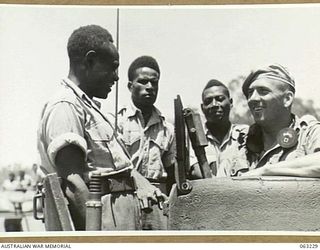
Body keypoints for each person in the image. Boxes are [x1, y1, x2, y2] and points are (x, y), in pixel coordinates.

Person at [37, 25, 165, 230]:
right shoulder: (66, 106)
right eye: (113, 67)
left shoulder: (89, 108)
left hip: (120, 220)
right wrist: (97, 239)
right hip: (102, 224)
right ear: (89, 61)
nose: (116, 77)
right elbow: (74, 186)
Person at [117, 56, 175, 230]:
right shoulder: (116, 122)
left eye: (154, 82)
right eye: (142, 82)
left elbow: (173, 173)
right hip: (125, 199)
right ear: (130, 86)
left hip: (158, 202)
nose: (149, 87)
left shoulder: (167, 128)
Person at [241, 64, 320, 177]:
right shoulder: (240, 141)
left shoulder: (308, 134)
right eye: (250, 93)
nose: (252, 98)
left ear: (287, 99)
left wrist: (265, 171)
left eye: (263, 91)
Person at [189, 79, 249, 178]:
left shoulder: (245, 134)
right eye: (208, 101)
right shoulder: (192, 138)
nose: (214, 105)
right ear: (202, 107)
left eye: (220, 99)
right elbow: (196, 170)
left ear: (230, 102)